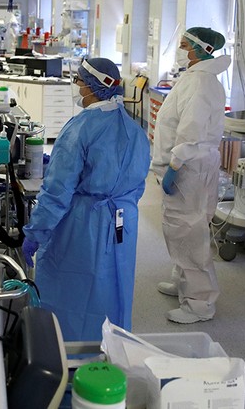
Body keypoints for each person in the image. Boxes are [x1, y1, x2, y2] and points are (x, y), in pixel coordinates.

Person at [22, 58, 150, 342]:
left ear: (92, 86)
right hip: (123, 222)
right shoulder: (135, 130)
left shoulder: (80, 128)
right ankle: (113, 351)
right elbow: (137, 186)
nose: (77, 87)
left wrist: (36, 233)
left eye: (79, 81)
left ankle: (72, 357)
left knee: (75, 291)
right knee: (114, 287)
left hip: (85, 224)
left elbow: (56, 192)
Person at [152, 27, 230, 324]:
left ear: (201, 49)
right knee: (181, 229)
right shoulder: (196, 77)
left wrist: (173, 168)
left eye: (184, 45)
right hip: (190, 166)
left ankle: (199, 303)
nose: (180, 49)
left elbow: (191, 134)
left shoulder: (200, 83)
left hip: (189, 168)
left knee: (189, 232)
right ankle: (182, 279)